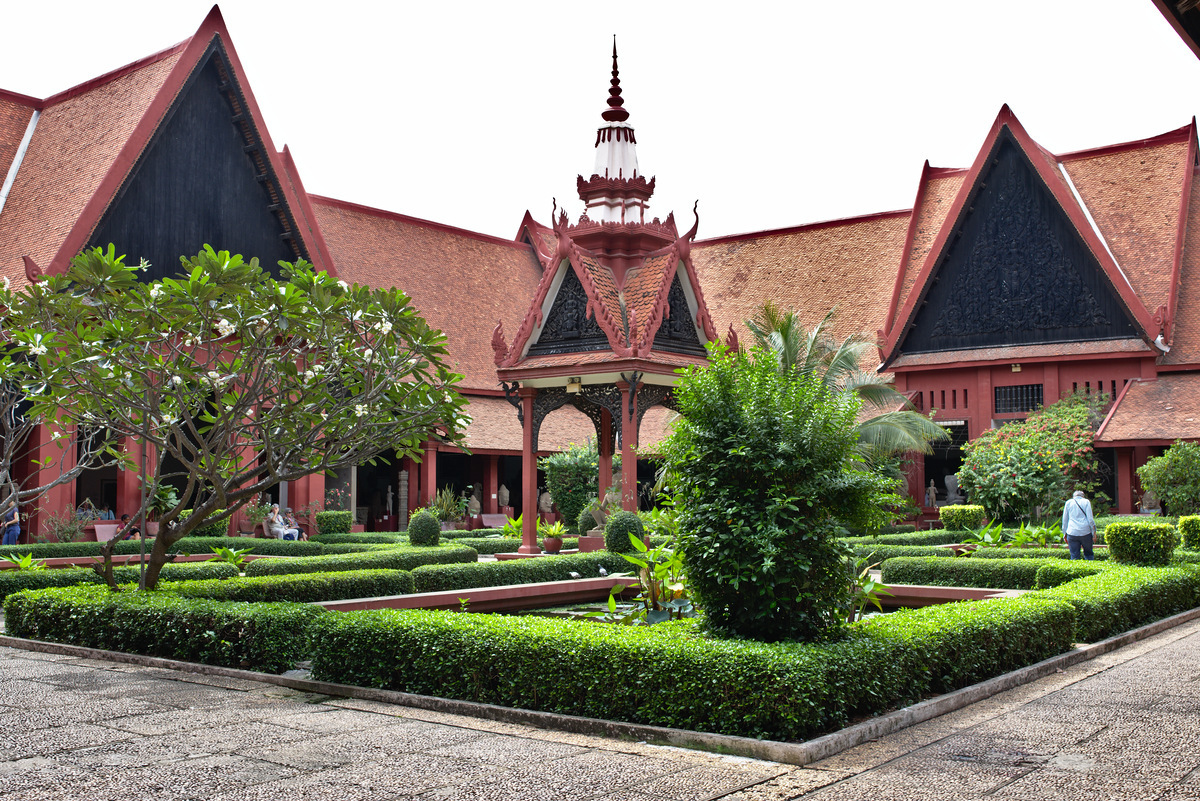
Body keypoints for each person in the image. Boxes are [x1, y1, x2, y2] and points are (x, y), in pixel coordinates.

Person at [1061, 489, 1097, 560]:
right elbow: (1090, 520)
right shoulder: (1086, 502)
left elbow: (1065, 520)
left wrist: (1064, 534)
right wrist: (1094, 533)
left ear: (1073, 496)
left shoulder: (1068, 502)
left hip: (1072, 532)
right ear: (1083, 496)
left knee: (1074, 556)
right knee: (1089, 554)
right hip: (1085, 532)